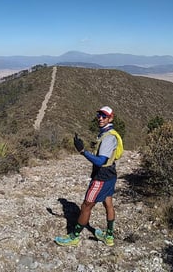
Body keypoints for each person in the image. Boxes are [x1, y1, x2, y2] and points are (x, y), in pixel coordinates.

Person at [55, 106, 123, 247]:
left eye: (104, 116)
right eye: (99, 115)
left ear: (111, 118)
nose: (100, 118)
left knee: (86, 205)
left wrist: (82, 151)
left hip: (101, 176)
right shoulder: (108, 133)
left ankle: (74, 236)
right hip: (111, 174)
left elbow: (100, 161)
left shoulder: (108, 137)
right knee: (108, 203)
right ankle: (109, 237)